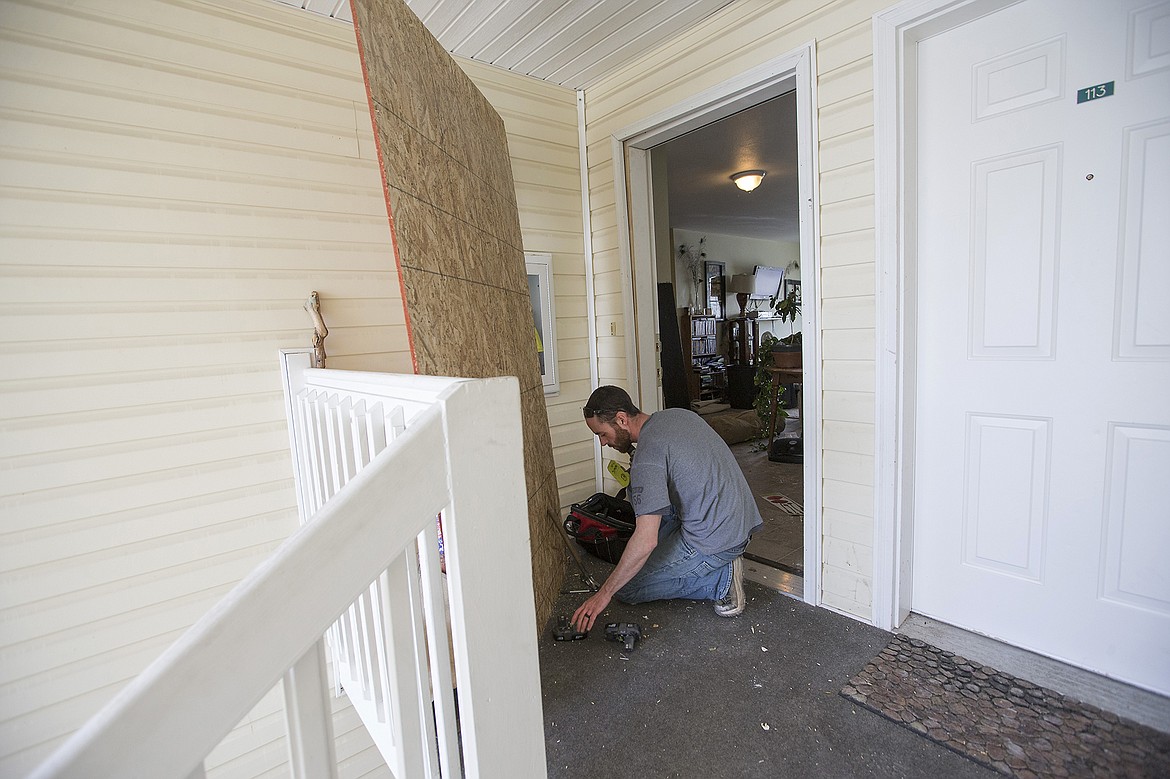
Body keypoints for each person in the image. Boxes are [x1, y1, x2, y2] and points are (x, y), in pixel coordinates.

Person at [572, 386, 762, 632]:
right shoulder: (676, 416)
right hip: (739, 518)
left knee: (627, 588)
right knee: (638, 552)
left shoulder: (648, 458)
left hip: (718, 540)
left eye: (602, 433)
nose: (602, 442)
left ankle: (720, 581)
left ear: (621, 419)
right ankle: (701, 562)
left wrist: (604, 593)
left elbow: (646, 539)